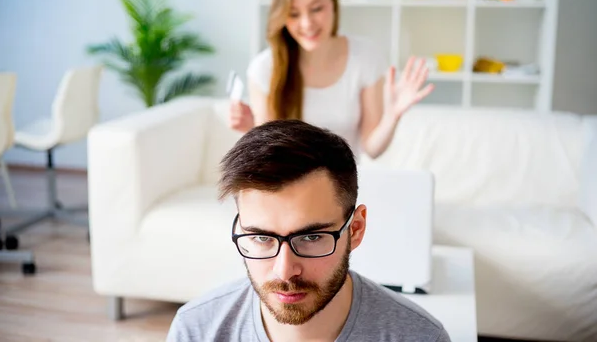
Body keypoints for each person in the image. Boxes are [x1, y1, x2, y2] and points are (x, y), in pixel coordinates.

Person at [167, 120, 451, 342]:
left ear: (356, 228)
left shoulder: (420, 337)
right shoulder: (196, 331)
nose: (285, 270)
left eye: (311, 237)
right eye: (262, 238)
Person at [230, 0, 434, 159]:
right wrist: (252, 129)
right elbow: (270, 156)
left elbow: (372, 149)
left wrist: (392, 115)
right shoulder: (264, 68)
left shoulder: (365, 57)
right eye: (293, 13)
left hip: (341, 188)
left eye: (316, 8)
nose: (307, 23)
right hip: (285, 187)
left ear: (333, 3)